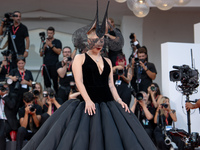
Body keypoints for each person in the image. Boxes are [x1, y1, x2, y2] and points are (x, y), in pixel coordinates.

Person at [22, 1, 156, 149]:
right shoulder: (80, 58)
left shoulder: (107, 61)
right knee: (81, 139)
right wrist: (88, 100)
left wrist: (119, 100)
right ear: (88, 40)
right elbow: (79, 81)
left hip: (108, 104)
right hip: (85, 104)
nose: (99, 43)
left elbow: (111, 84)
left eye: (101, 40)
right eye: (95, 40)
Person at [40, 26, 62, 93]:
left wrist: (51, 46)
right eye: (48, 33)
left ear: (54, 33)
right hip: (46, 65)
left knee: (55, 83)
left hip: (54, 65)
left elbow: (59, 52)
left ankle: (57, 96)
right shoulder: (44, 42)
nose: (49, 34)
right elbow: (41, 54)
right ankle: (47, 96)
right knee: (47, 83)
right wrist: (44, 47)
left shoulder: (57, 41)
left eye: (51, 33)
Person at [0, 84, 18, 150]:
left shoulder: (13, 96)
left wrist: (4, 96)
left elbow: (11, 105)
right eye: (3, 89)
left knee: (1, 134)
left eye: (6, 88)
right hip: (0, 120)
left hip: (8, 121)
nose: (5, 90)